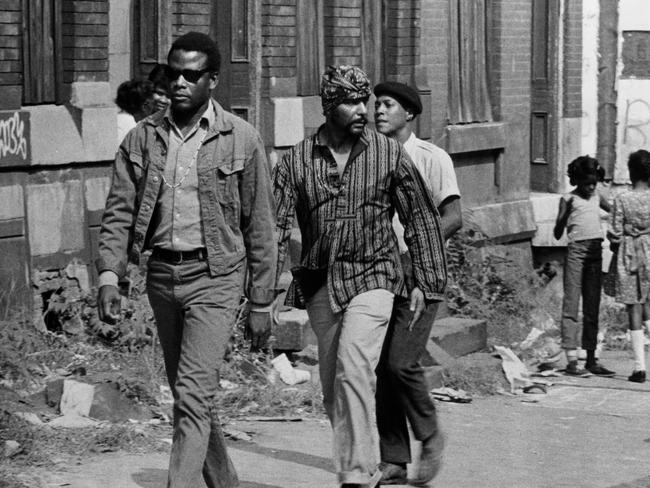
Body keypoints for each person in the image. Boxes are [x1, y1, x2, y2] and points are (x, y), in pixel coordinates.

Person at [96, 31, 277, 488]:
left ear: (212, 80)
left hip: (216, 276)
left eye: (191, 75)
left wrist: (261, 301)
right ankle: (223, 482)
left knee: (194, 394)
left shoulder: (241, 138)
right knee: (188, 393)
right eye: (173, 72)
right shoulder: (142, 139)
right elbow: (119, 210)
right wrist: (108, 276)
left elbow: (260, 225)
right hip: (162, 275)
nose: (179, 82)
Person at [273, 65, 447, 488]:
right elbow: (272, 227)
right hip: (322, 283)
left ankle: (357, 474)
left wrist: (427, 279)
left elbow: (421, 217)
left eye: (364, 101)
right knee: (334, 385)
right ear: (329, 105)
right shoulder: (296, 160)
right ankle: (358, 459)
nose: (362, 110)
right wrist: (259, 291)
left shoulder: (388, 154)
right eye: (351, 102)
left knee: (355, 369)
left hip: (375, 276)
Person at [372, 81, 460, 485]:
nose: (378, 111)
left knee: (401, 362)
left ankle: (430, 435)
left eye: (388, 105)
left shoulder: (431, 157)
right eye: (377, 105)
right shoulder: (370, 157)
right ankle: (393, 459)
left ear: (409, 113)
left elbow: (453, 216)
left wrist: (417, 249)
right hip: (379, 274)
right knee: (382, 369)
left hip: (421, 275)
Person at [553, 155, 615, 376]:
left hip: (596, 253)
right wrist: (565, 214)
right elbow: (557, 232)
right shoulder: (568, 199)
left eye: (594, 183)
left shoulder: (597, 196)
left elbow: (615, 212)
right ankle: (571, 361)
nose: (590, 187)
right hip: (576, 253)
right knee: (571, 304)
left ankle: (591, 359)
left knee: (592, 306)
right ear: (577, 181)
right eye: (586, 183)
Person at [608, 149, 650, 382]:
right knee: (649, 304)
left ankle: (639, 367)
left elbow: (614, 232)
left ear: (631, 173)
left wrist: (622, 239)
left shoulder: (622, 199)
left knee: (633, 307)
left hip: (629, 253)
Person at [115, 78, 155, 143]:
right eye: (153, 103)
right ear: (144, 106)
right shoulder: (133, 129)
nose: (153, 108)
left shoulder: (116, 119)